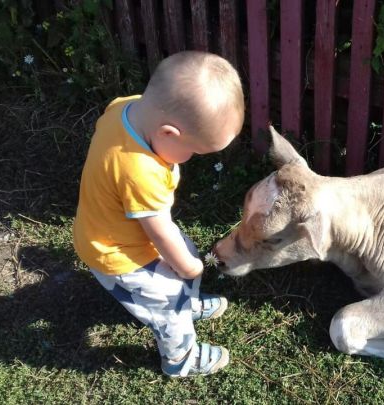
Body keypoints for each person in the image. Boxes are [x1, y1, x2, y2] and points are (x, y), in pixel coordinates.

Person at [73, 51, 244, 377]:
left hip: (110, 227)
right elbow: (160, 232)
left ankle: (188, 302)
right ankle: (180, 360)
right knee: (169, 299)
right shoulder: (142, 171)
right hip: (118, 252)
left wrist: (187, 263)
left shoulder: (128, 107)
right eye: (193, 150)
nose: (191, 158)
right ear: (168, 133)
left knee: (186, 259)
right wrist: (188, 267)